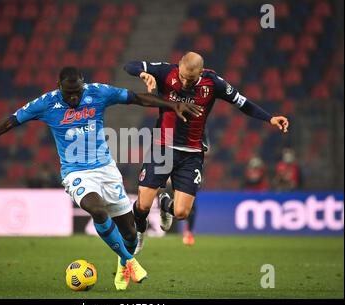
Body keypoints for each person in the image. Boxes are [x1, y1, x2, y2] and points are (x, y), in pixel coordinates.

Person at [0, 66, 201, 290]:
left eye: (77, 93)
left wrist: (173, 105)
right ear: (59, 87)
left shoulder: (98, 93)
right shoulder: (46, 104)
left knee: (129, 234)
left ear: (83, 85)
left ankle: (123, 257)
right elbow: (8, 122)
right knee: (97, 210)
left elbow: (136, 98)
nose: (74, 98)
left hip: (106, 170)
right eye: (68, 94)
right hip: (75, 173)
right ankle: (130, 262)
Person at [124, 51, 290, 254]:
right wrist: (143, 74)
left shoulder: (214, 83)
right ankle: (140, 235)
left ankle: (166, 203)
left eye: (191, 79)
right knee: (142, 206)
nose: (185, 82)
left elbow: (243, 103)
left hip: (191, 153)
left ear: (201, 72)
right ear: (179, 66)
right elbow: (130, 65)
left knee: (182, 212)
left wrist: (270, 118)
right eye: (183, 76)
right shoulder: (166, 72)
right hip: (162, 147)